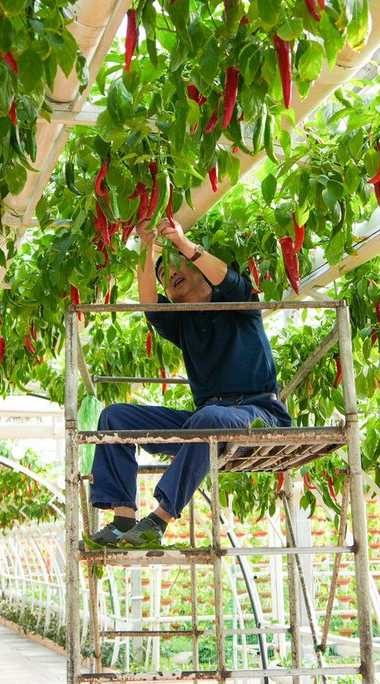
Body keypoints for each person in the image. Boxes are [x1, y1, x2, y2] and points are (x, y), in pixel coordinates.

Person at [84, 217, 291, 550]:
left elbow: (227, 277)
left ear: (203, 272)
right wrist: (147, 247)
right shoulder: (182, 323)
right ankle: (123, 521)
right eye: (164, 275)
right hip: (205, 421)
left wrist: (182, 243)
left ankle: (158, 521)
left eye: (178, 266)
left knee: (209, 420)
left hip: (257, 411)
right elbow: (149, 303)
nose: (170, 276)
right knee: (114, 417)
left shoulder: (240, 304)